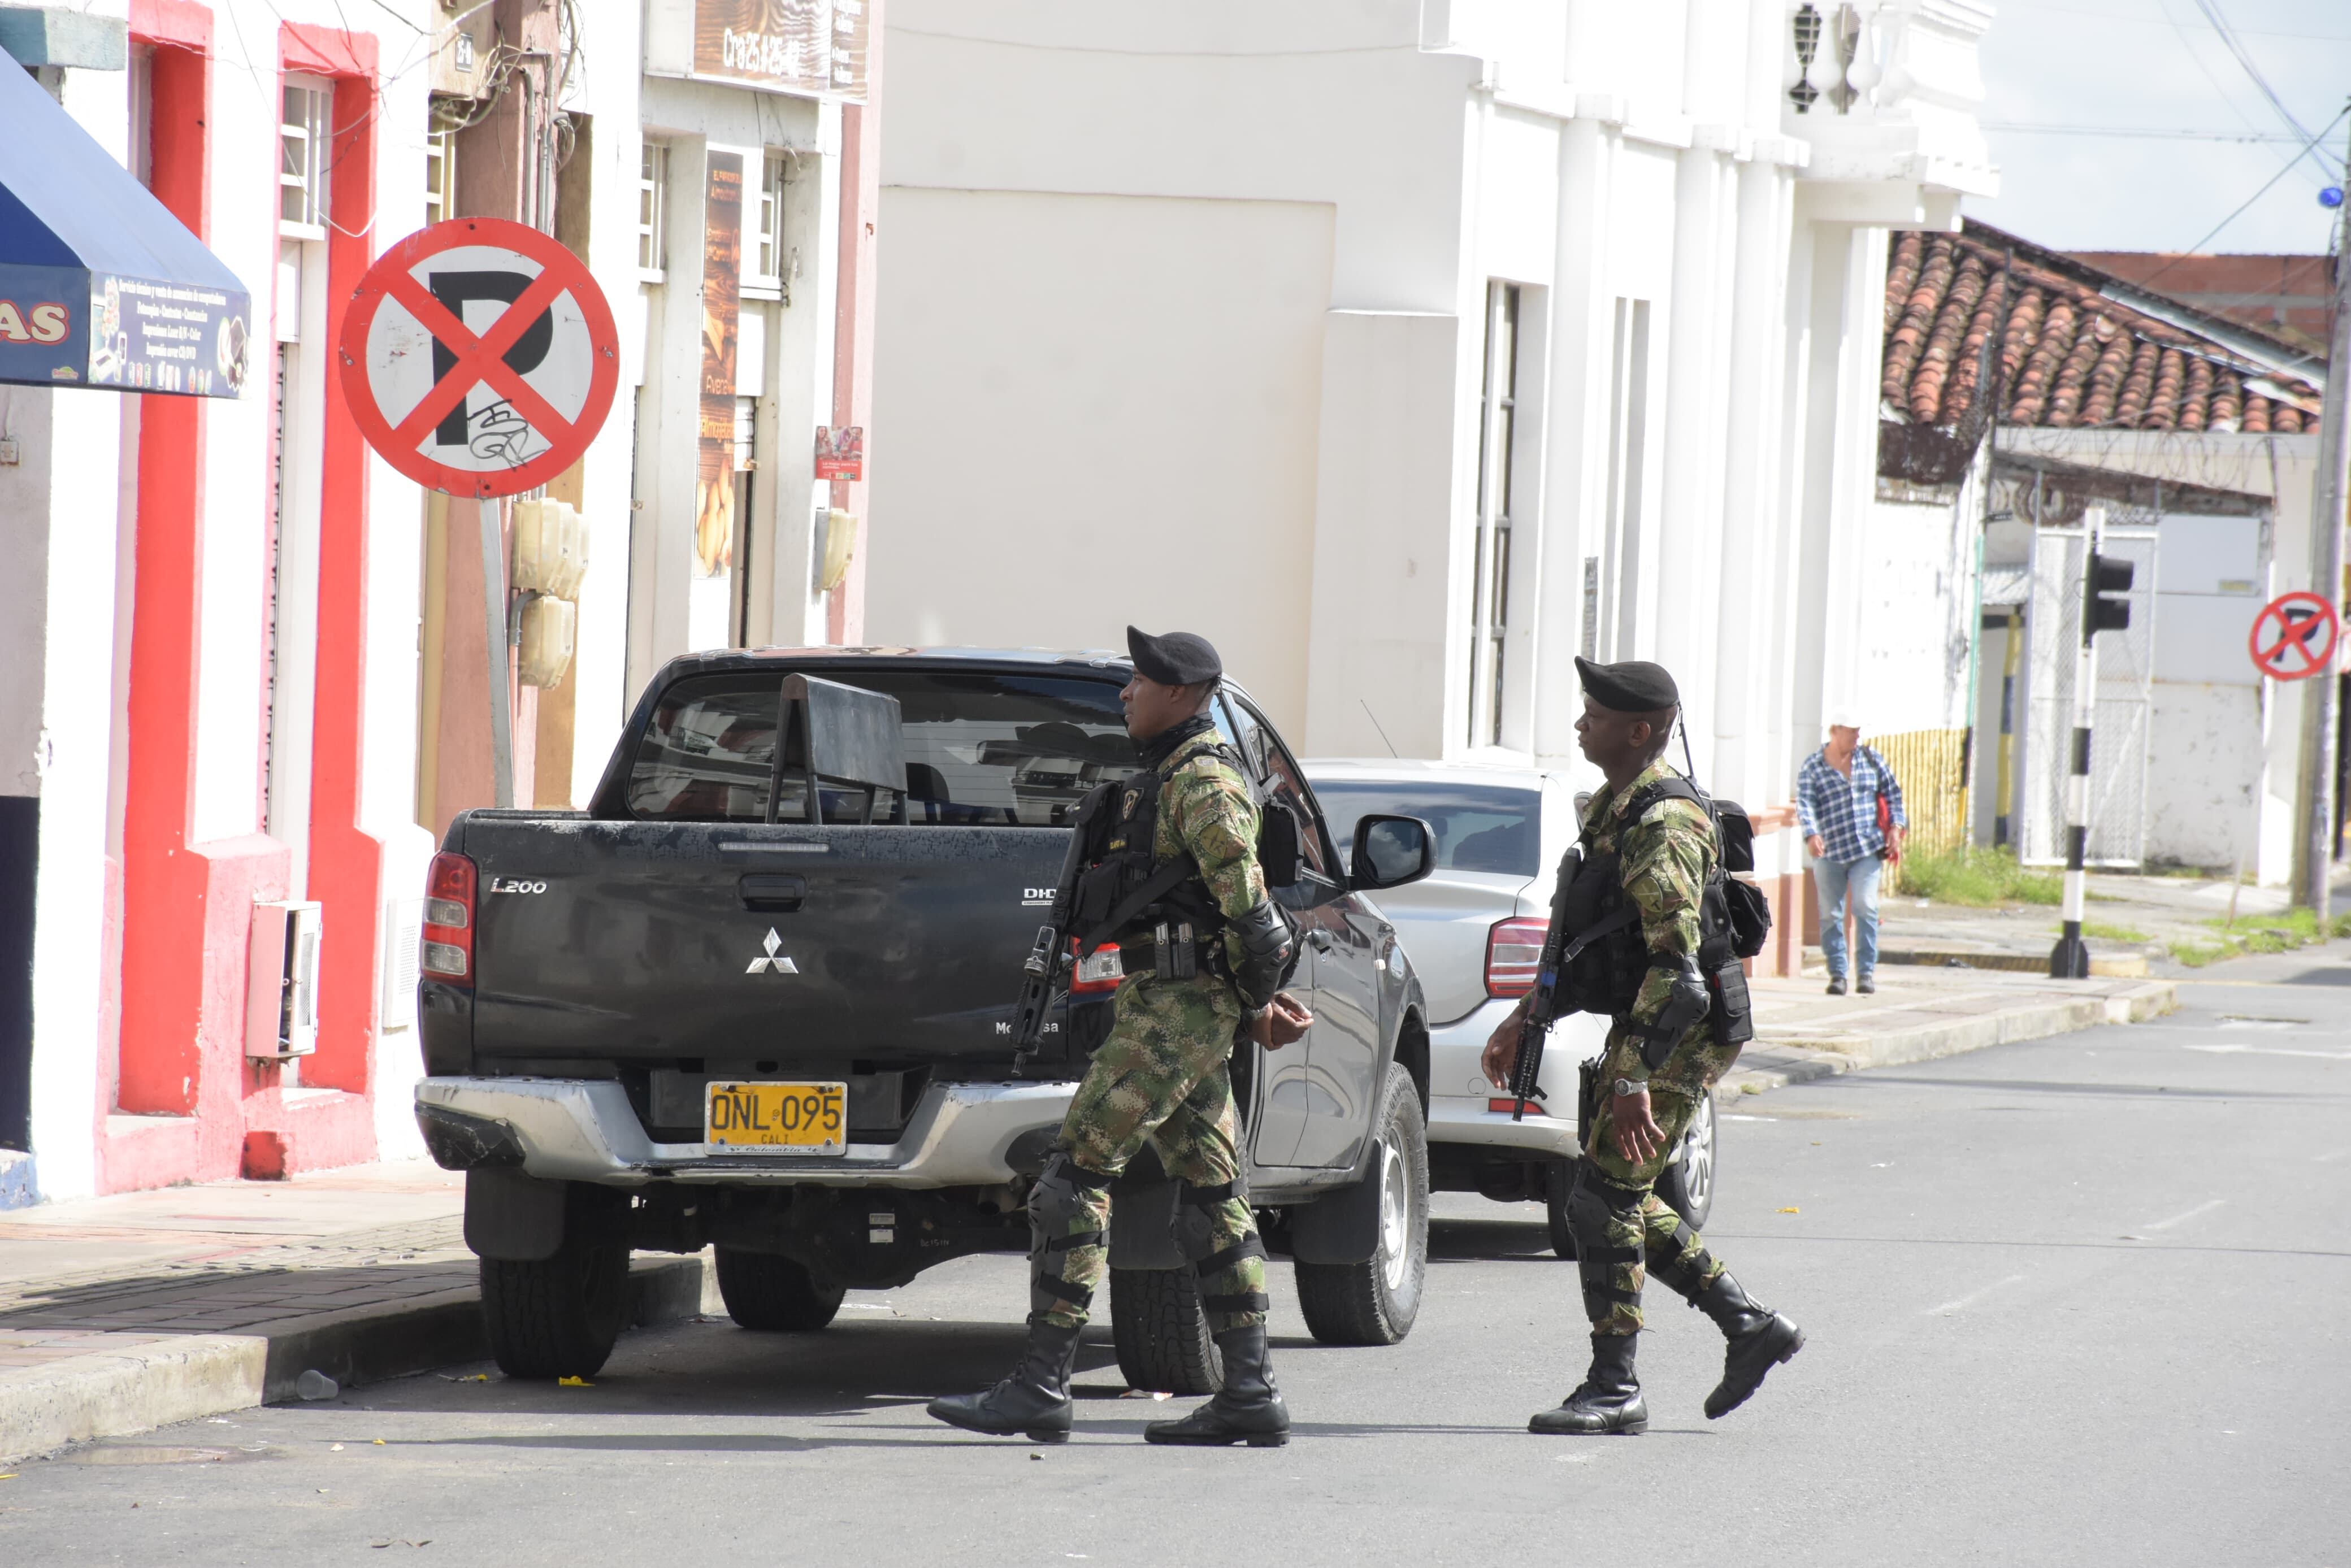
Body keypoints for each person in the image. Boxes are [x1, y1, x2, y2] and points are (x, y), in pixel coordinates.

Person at [927, 626, 1312, 1447]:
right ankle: (1250, 1391)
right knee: (1211, 1194)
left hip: (1177, 1011)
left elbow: (1258, 920)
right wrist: (1243, 1003)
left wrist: (1256, 1001)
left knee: (1073, 1175)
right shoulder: (1167, 777)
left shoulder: (1204, 782)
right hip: (1171, 1005)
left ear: (1182, 693)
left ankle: (1039, 1384)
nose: (1126, 692)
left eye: (1140, 680)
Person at [1482, 656, 1803, 1436]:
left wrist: (1631, 1079)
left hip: (1680, 1030)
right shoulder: (1613, 809)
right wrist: (1528, 1014)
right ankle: (1748, 1324)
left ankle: (1616, 1384)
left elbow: (1679, 972)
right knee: (1610, 1195)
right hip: (1656, 1018)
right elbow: (1592, 933)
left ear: (1638, 729)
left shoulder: (1663, 823)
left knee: (1604, 1199)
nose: (1579, 723)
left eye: (1593, 712)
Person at [1797, 714, 1907, 996]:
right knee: (1831, 915)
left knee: (1866, 907)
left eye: (1858, 733)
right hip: (1829, 852)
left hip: (1866, 850)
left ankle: (1866, 973)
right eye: (1851, 733)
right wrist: (1812, 834)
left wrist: (1896, 827)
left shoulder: (1870, 760)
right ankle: (1838, 974)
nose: (1856, 739)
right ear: (1835, 731)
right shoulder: (1814, 766)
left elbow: (1894, 794)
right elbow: (1806, 803)